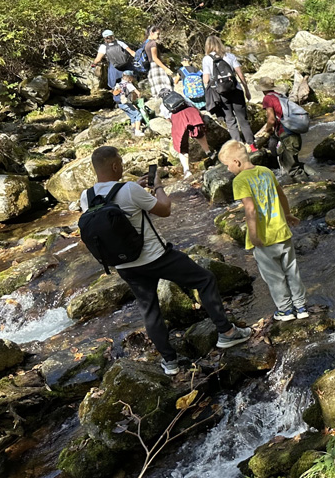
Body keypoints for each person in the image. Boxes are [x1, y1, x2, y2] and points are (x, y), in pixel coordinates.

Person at [80, 146, 251, 375]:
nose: (122, 166)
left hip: (124, 265)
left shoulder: (86, 197)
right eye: (120, 162)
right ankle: (227, 333)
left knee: (150, 310)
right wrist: (158, 186)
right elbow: (165, 209)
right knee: (205, 279)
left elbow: (113, 208)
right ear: (114, 165)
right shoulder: (129, 189)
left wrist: (135, 190)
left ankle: (170, 362)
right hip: (155, 257)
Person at [218, 140, 309, 322]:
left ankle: (285, 310)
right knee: (291, 270)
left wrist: (253, 235)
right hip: (281, 232)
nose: (228, 169)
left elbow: (250, 209)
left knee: (274, 276)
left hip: (264, 238)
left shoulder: (240, 181)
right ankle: (301, 306)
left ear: (236, 162)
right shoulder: (266, 171)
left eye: (227, 165)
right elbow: (281, 195)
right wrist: (287, 214)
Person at [202, 36, 256, 151]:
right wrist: (246, 90)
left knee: (230, 120)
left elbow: (206, 80)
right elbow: (240, 74)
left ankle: (239, 147)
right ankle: (252, 145)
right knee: (243, 119)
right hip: (236, 90)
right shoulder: (230, 56)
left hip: (221, 93)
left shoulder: (207, 59)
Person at [259, 77, 310, 183]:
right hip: (294, 134)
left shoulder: (267, 99)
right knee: (295, 164)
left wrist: (266, 130)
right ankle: (317, 177)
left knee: (292, 169)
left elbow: (271, 120)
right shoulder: (279, 95)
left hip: (286, 136)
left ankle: (308, 187)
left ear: (262, 89)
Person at [162, 88, 216, 180]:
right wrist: (199, 115)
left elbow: (168, 118)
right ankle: (209, 153)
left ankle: (186, 170)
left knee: (181, 145)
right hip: (190, 113)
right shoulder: (179, 96)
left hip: (177, 118)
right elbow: (191, 104)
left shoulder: (162, 105)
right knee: (199, 134)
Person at [91, 29, 136, 109]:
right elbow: (132, 53)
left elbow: (98, 59)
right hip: (127, 67)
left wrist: (93, 64)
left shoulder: (103, 47)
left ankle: (120, 104)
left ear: (104, 38)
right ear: (113, 36)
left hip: (115, 69)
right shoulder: (120, 43)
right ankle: (133, 102)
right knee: (129, 84)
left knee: (115, 86)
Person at [144, 26, 176, 118]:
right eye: (157, 34)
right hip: (157, 68)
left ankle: (163, 112)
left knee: (159, 91)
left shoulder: (146, 43)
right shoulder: (153, 43)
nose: (159, 36)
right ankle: (169, 110)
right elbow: (155, 58)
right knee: (166, 89)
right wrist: (166, 69)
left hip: (151, 69)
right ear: (151, 33)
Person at [113, 70, 144, 137]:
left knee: (132, 116)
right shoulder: (128, 84)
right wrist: (139, 99)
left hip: (120, 104)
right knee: (138, 115)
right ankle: (137, 131)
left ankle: (133, 130)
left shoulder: (118, 84)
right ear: (129, 77)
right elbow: (138, 93)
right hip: (126, 103)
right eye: (132, 77)